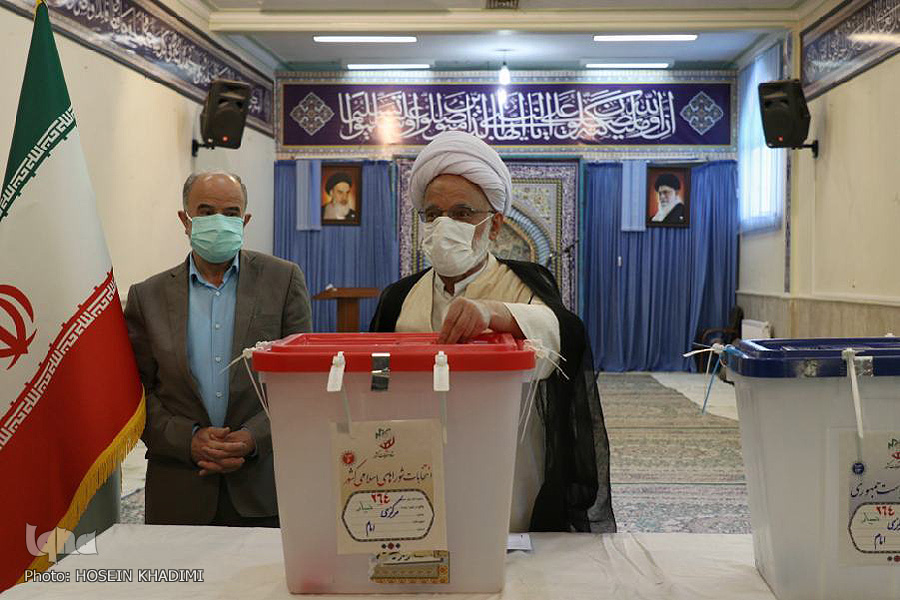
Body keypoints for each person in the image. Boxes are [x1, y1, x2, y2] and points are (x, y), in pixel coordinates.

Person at [370, 132, 615, 533]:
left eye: (462, 212)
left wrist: (495, 313)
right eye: (433, 214)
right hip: (414, 460)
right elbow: (376, 378)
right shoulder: (399, 296)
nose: (445, 225)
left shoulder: (525, 284)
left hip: (507, 463)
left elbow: (565, 340)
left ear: (495, 224)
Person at [124, 171, 312, 526]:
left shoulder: (283, 280)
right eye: (206, 211)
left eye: (230, 213)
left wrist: (252, 437)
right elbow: (137, 392)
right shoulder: (147, 296)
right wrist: (188, 440)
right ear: (185, 220)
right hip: (179, 488)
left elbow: (302, 381)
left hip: (262, 487)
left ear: (245, 220)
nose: (219, 221)